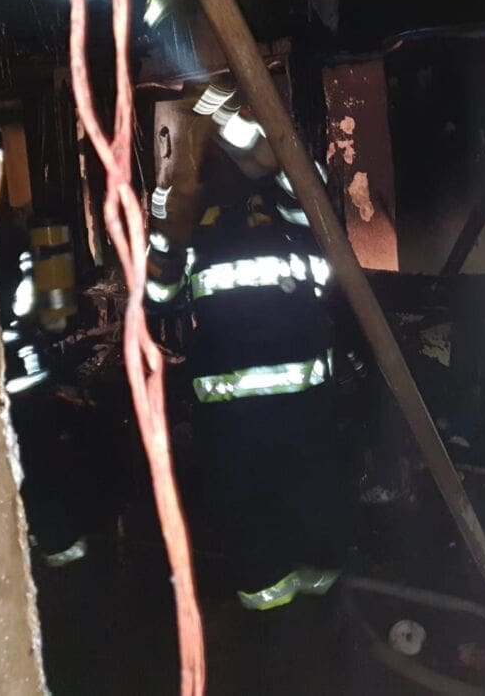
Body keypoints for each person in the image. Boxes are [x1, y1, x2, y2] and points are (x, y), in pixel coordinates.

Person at [145, 81, 351, 612]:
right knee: (302, 493)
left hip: (237, 409)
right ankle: (306, 600)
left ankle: (277, 602)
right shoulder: (278, 212)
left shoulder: (278, 203)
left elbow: (159, 299)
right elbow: (160, 297)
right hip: (292, 402)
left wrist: (224, 120)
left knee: (260, 501)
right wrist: (166, 234)